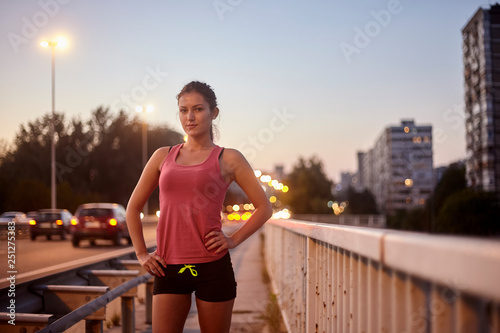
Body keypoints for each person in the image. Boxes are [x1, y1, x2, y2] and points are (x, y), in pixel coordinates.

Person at [126, 80, 273, 333]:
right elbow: (132, 208)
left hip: (213, 268)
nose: (190, 117)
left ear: (213, 112)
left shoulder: (229, 158)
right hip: (168, 267)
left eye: (198, 109)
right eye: (183, 110)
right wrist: (141, 254)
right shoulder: (163, 156)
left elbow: (264, 208)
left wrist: (234, 240)